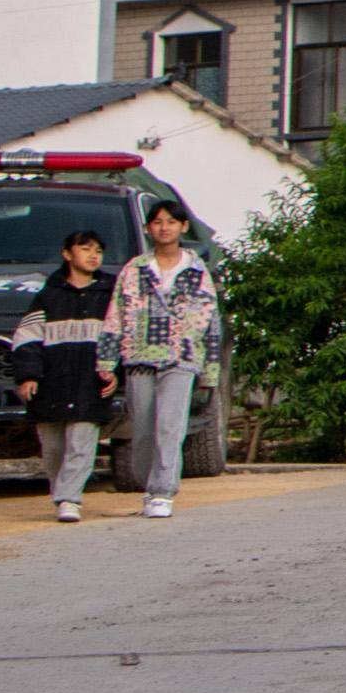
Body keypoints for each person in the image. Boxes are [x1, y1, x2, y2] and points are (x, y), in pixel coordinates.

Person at [110, 199, 220, 520]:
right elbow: (114, 318)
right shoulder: (134, 270)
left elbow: (211, 323)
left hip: (182, 358)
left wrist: (210, 371)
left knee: (170, 426)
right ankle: (149, 485)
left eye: (171, 222)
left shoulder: (197, 271)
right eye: (157, 222)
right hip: (139, 357)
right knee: (143, 427)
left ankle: (162, 491)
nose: (164, 227)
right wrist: (105, 363)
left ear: (183, 227)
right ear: (148, 228)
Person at [11, 227, 116, 523]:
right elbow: (27, 338)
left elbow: (121, 335)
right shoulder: (48, 296)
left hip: (90, 381)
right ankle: (61, 494)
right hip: (51, 383)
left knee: (81, 442)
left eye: (98, 250)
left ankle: (70, 499)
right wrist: (28, 376)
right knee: (54, 446)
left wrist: (113, 371)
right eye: (85, 249)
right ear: (67, 254)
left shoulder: (111, 293)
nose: (93, 255)